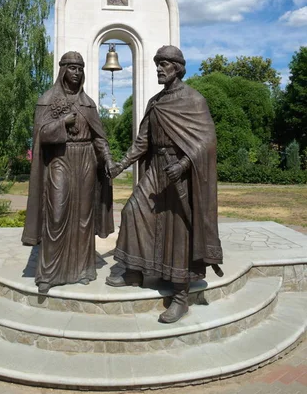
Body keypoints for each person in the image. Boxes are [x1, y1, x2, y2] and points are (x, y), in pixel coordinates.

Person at [107, 45, 223, 323]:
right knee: (133, 211)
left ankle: (180, 296)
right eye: (158, 63)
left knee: (178, 231)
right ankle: (135, 268)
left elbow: (207, 140)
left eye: (165, 64)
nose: (159, 68)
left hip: (181, 173)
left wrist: (183, 164)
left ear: (178, 68)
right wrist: (120, 165)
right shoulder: (156, 102)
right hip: (156, 169)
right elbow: (142, 142)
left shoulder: (194, 100)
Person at [22, 51, 115, 294]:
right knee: (57, 214)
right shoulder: (47, 100)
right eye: (72, 68)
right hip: (60, 159)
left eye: (80, 68)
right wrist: (63, 123)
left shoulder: (88, 103)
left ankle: (83, 268)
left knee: (84, 216)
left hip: (85, 160)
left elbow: (99, 136)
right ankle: (49, 273)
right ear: (63, 70)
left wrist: (106, 158)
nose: (76, 72)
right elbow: (41, 135)